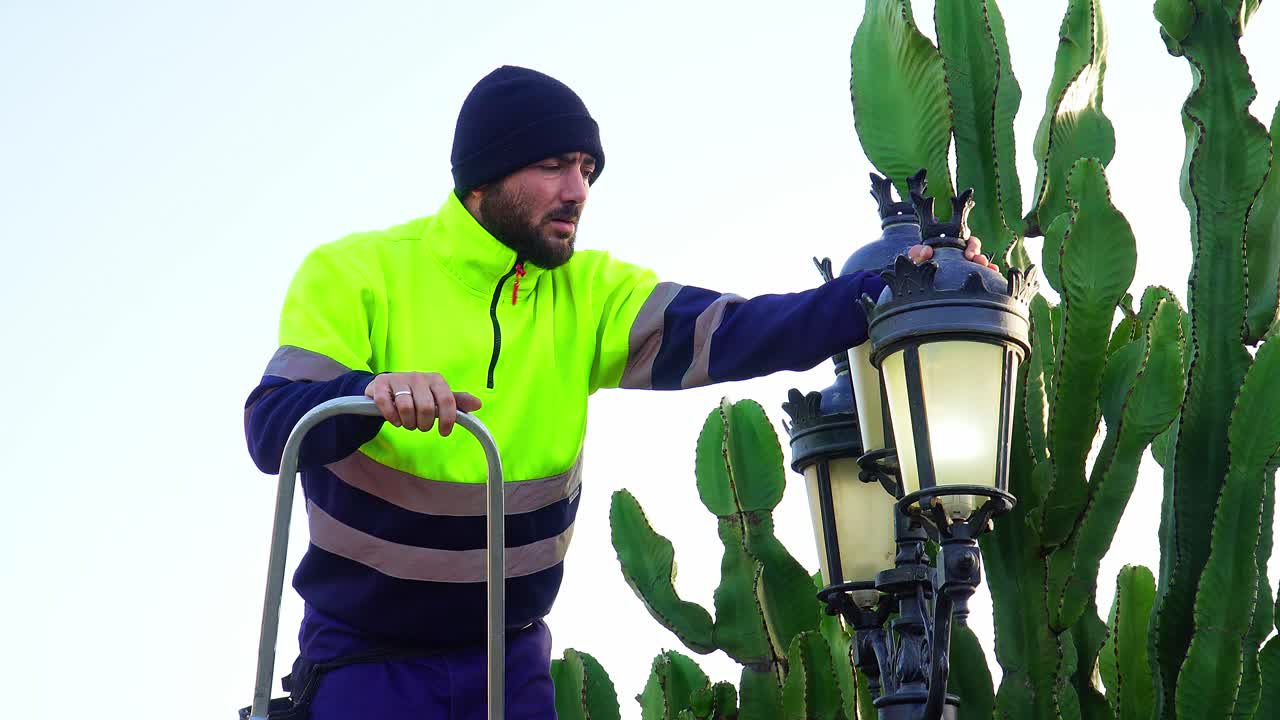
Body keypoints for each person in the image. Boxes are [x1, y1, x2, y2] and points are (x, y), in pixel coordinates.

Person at [243, 65, 995, 719]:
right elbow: (271, 428)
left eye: (586, 169)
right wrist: (369, 395)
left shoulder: (590, 293)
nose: (577, 190)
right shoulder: (356, 274)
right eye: (553, 166)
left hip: (510, 666)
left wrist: (888, 287)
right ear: (482, 178)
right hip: (367, 668)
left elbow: (739, 330)